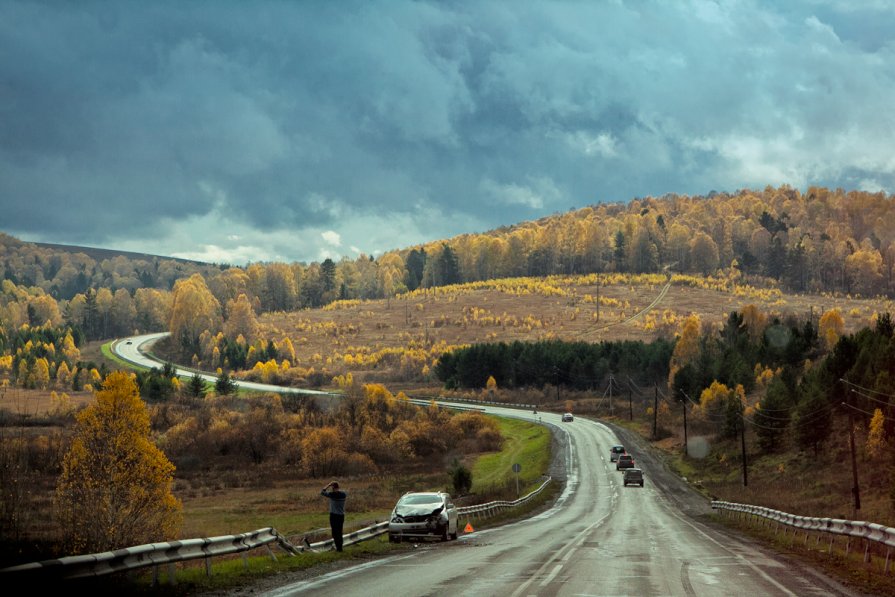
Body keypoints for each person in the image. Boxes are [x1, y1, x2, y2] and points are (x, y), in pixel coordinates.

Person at [321, 481, 347, 551]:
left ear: (333, 488)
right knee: (339, 531)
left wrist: (328, 485)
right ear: (338, 487)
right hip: (341, 515)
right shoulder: (344, 494)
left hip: (334, 515)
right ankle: (340, 547)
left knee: (335, 532)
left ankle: (338, 548)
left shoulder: (332, 494)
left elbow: (322, 492)